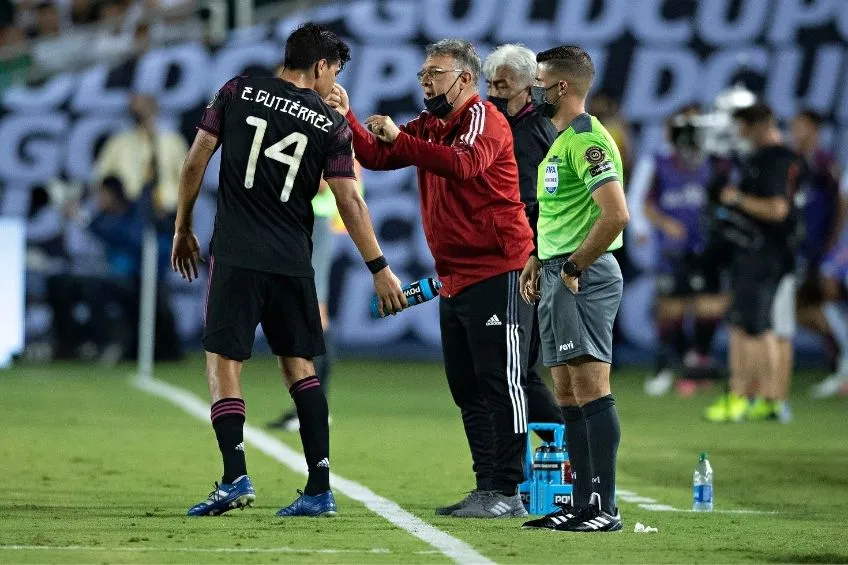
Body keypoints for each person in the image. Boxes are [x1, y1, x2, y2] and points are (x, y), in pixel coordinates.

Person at [171, 23, 406, 518]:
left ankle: (235, 478)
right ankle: (319, 488)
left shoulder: (236, 90)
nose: (334, 82)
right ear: (320, 67)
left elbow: (194, 163)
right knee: (301, 371)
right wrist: (379, 267)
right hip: (292, 262)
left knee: (223, 364)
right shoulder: (331, 123)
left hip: (236, 255)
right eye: (334, 71)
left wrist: (183, 228)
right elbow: (349, 198)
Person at [327, 39, 535, 518]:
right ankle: (489, 487)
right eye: (423, 72)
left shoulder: (483, 117)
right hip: (456, 276)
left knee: (502, 382)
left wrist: (401, 140)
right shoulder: (429, 127)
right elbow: (376, 158)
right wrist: (348, 118)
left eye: (435, 73)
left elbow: (464, 164)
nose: (425, 79)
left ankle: (509, 489)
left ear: (465, 80)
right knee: (466, 386)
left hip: (499, 268)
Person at [519, 45, 629, 532]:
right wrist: (536, 261)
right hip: (555, 270)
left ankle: (605, 507)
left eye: (538, 81)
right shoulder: (560, 141)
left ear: (561, 86)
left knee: (591, 386)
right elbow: (560, 215)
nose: (533, 89)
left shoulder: (588, 140)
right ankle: (581, 501)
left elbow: (616, 214)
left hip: (581, 274)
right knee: (565, 387)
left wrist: (574, 266)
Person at [483, 43, 564, 436]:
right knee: (510, 368)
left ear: (530, 84)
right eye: (491, 84)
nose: (494, 93)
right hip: (503, 260)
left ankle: (570, 456)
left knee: (517, 371)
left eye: (503, 85)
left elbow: (538, 202)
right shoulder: (494, 126)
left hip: (525, 262)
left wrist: (534, 257)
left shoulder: (536, 133)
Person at [704, 103, 800, 423]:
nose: (740, 137)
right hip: (774, 254)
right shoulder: (781, 159)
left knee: (750, 327)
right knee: (766, 327)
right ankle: (771, 400)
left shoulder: (773, 160)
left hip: (762, 254)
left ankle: (743, 397)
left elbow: (777, 210)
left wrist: (736, 199)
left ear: (755, 126)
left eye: (742, 129)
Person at [642, 108, 728, 397]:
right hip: (673, 250)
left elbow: (725, 202)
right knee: (669, 309)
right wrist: (666, 224)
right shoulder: (661, 164)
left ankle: (697, 361)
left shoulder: (716, 166)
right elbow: (647, 205)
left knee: (709, 306)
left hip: (706, 248)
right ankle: (665, 366)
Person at [95, 93, 187, 214]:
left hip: (166, 212)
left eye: (143, 104)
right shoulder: (118, 143)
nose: (138, 108)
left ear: (153, 107)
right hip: (128, 211)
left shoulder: (172, 141)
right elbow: (101, 175)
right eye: (135, 105)